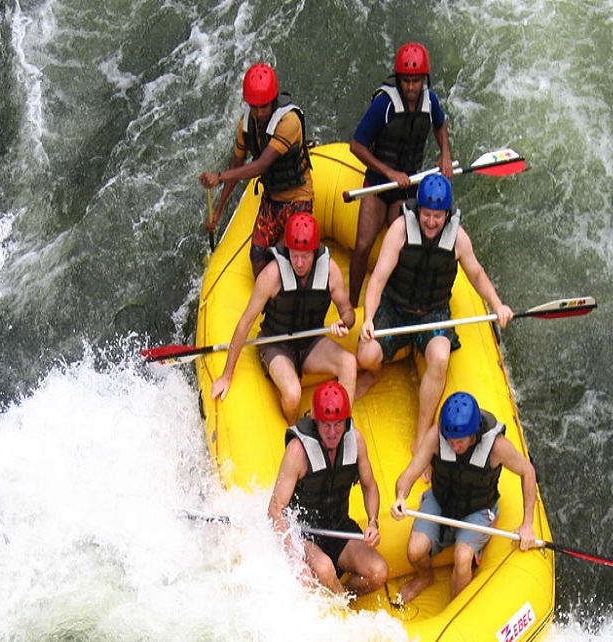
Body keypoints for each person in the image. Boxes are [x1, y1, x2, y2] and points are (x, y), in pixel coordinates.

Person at [357, 174, 513, 453]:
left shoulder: (458, 239)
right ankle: (375, 373)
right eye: (427, 214)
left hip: (433, 312)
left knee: (440, 359)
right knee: (366, 356)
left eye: (437, 216)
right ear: (418, 210)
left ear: (447, 214)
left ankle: (421, 436)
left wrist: (497, 304)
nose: (431, 222)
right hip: (395, 307)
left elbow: (476, 274)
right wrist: (368, 318)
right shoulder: (400, 230)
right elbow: (378, 278)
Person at [390, 392, 538, 603]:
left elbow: (528, 471)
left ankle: (455, 608)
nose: (452, 446)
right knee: (414, 551)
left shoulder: (497, 446)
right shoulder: (437, 436)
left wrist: (528, 523)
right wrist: (400, 496)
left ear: (473, 434)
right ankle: (425, 578)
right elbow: (410, 473)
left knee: (462, 557)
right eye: (449, 440)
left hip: (478, 508)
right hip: (442, 500)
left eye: (459, 442)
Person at [210, 213, 356, 425]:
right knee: (292, 393)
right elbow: (245, 322)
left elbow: (348, 312)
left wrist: (345, 322)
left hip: (311, 343)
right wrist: (226, 375)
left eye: (305, 256)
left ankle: (341, 428)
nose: (298, 263)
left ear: (315, 252)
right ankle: (293, 426)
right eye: (294, 255)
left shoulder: (330, 271)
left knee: (349, 363)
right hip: (276, 344)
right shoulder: (272, 275)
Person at [348, 42, 454, 307]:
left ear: (424, 80)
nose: (410, 87)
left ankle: (392, 302)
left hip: (407, 186)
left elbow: (440, 125)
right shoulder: (384, 104)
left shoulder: (431, 102)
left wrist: (445, 154)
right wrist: (389, 171)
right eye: (406, 80)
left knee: (403, 249)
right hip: (377, 183)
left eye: (416, 81)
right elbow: (356, 145)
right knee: (363, 245)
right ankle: (350, 305)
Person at [268, 381, 388, 597]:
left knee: (378, 572)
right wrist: (294, 555)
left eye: (338, 424)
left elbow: (369, 486)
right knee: (324, 568)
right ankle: (343, 609)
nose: (332, 433)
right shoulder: (298, 451)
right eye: (325, 425)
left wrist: (373, 522)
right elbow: (275, 508)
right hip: (304, 533)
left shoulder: (356, 440)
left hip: (338, 526)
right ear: (315, 421)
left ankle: (341, 598)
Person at [199, 62, 312, 276]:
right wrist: (219, 210)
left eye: (264, 107)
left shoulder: (289, 122)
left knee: (296, 256)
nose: (259, 113)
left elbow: (261, 165)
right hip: (271, 199)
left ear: (273, 101)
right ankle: (270, 302)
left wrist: (219, 177)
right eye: (254, 107)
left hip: (299, 196)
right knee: (257, 256)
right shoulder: (246, 125)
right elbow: (237, 164)